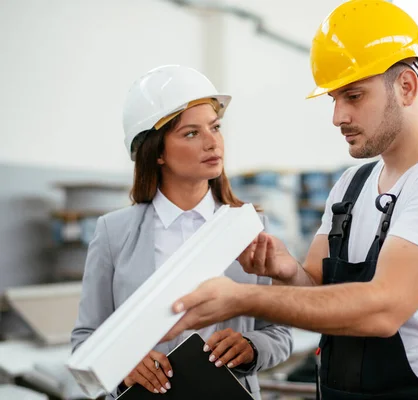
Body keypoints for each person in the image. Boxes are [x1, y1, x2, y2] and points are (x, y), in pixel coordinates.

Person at [162, 1, 418, 399]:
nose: (338, 116)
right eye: (334, 99)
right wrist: (288, 271)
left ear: (407, 86)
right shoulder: (352, 185)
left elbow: (383, 310)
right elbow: (317, 293)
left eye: (354, 96)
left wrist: (241, 297)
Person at [71, 65, 292, 400]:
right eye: (191, 133)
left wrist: (251, 346)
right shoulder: (113, 233)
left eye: (215, 128)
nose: (212, 142)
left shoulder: (248, 227)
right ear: (157, 151)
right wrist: (123, 366)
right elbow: (86, 338)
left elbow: (279, 332)